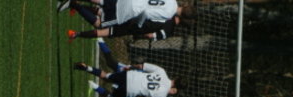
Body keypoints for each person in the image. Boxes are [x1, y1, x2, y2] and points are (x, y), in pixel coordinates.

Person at [73, 59, 181, 97]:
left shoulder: (162, 71)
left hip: (131, 76)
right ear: (176, 88)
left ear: (176, 78)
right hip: (131, 91)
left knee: (106, 76)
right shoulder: (162, 96)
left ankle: (86, 68)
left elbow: (142, 66)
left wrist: (130, 67)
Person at [66, 4, 197, 42]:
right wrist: (139, 30)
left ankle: (77, 7)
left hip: (134, 6)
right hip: (132, 23)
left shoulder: (170, 5)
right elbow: (150, 35)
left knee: (103, 10)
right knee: (102, 27)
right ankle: (76, 32)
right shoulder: (167, 27)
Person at [58, 0, 179, 31]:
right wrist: (139, 24)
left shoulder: (172, 1)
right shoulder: (169, 13)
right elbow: (147, 13)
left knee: (101, 2)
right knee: (100, 25)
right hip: (130, 11)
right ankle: (73, 4)